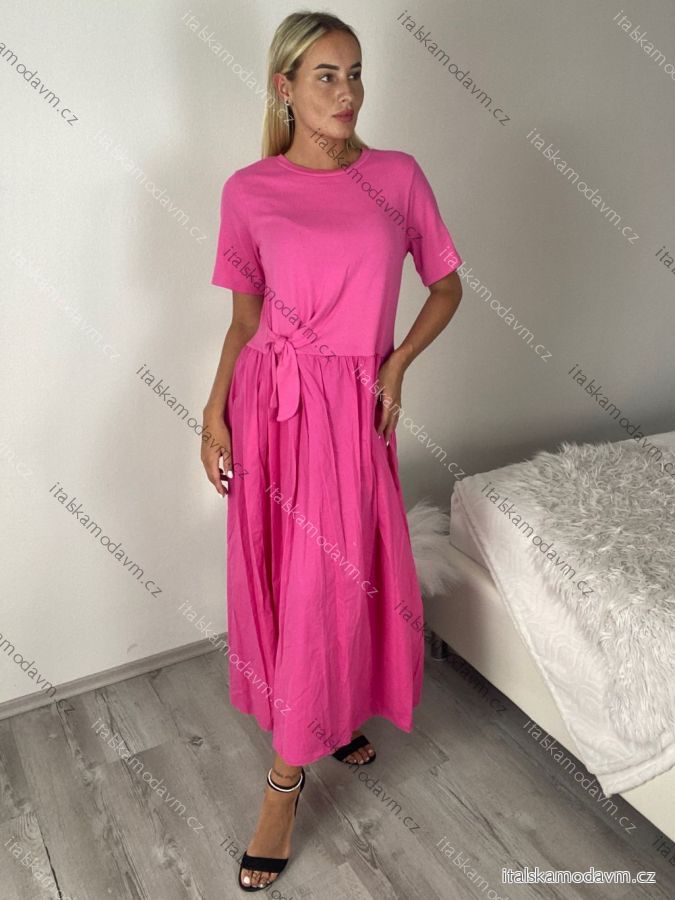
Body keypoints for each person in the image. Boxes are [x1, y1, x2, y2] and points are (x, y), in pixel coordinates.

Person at [201, 10, 463, 892]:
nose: (347, 91)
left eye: (354, 73)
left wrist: (396, 364)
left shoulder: (396, 176)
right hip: (268, 406)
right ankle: (307, 740)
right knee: (289, 578)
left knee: (338, 578)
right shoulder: (249, 190)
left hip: (348, 413)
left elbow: (447, 285)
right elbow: (244, 321)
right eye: (326, 75)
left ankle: (290, 773)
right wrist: (212, 413)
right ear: (284, 88)